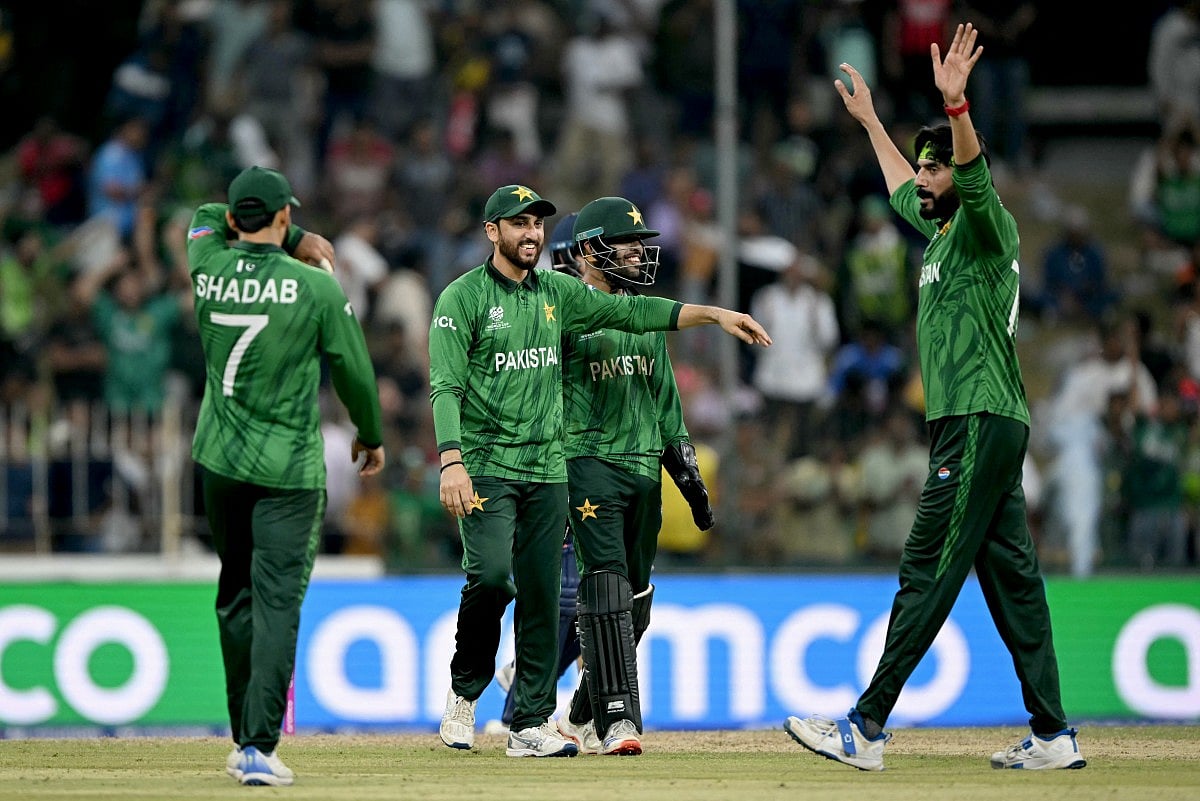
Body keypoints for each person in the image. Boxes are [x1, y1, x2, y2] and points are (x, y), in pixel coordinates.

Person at [784, 25, 1087, 772]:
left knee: (928, 564)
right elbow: (897, 189)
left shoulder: (987, 227)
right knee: (1012, 577)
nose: (924, 178)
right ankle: (1053, 734)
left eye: (936, 169)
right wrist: (873, 126)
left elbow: (973, 179)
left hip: (979, 418)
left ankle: (866, 726)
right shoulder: (943, 229)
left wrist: (957, 111)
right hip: (983, 421)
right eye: (924, 168)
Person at [430, 184, 770, 759]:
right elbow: (445, 385)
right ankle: (467, 695)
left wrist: (713, 314)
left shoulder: (559, 294)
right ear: (493, 232)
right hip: (493, 465)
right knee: (492, 579)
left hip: (549, 471)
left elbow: (637, 315)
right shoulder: (461, 299)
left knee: (547, 595)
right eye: (520, 225)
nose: (533, 233)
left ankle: (534, 723)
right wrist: (451, 459)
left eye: (539, 224)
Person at [187, 166, 384, 786]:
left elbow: (200, 214)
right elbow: (353, 371)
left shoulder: (206, 267)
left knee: (236, 595)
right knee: (276, 603)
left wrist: (288, 235)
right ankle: (258, 746)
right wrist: (371, 435)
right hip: (288, 471)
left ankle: (244, 734)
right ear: (280, 217)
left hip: (219, 462)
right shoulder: (315, 288)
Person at [552, 196, 717, 756]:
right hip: (588, 464)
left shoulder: (644, 319)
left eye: (640, 244)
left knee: (637, 598)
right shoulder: (565, 310)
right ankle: (620, 720)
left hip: (645, 472)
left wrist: (688, 475)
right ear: (591, 251)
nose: (638, 253)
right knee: (605, 584)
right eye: (626, 244)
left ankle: (578, 713)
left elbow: (666, 404)